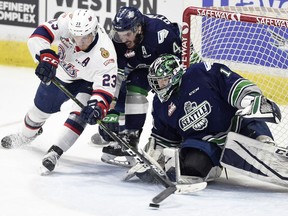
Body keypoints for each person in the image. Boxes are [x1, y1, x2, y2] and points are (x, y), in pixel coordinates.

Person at [124, 54, 281, 183]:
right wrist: (152, 160)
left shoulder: (201, 73)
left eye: (162, 80)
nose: (159, 86)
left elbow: (232, 84)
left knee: (255, 131)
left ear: (175, 75)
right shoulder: (160, 104)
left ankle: (268, 147)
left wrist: (250, 99)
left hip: (235, 126)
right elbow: (165, 139)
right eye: (156, 82)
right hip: (205, 143)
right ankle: (215, 166)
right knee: (191, 169)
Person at [1, 9, 118, 173]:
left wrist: (98, 106)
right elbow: (39, 35)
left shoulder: (105, 55)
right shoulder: (67, 22)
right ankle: (25, 136)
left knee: (80, 115)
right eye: (76, 37)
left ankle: (55, 152)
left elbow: (105, 89)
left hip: (89, 82)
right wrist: (44, 56)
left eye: (85, 37)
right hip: (64, 74)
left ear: (94, 31)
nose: (80, 42)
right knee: (39, 110)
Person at [95, 6, 182, 167]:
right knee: (133, 86)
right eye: (121, 35)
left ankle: (170, 140)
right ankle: (130, 137)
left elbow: (179, 66)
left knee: (167, 102)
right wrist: (110, 108)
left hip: (168, 66)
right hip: (141, 69)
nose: (124, 39)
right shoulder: (118, 39)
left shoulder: (162, 35)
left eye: (128, 34)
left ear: (139, 28)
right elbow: (115, 74)